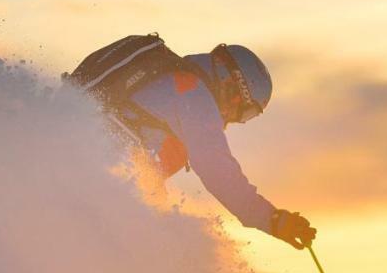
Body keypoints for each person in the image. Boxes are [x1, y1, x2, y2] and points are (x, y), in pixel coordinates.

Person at [68, 36, 316, 250]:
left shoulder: (176, 78)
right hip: (98, 162)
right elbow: (218, 170)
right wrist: (270, 219)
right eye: (244, 113)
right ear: (234, 88)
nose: (234, 120)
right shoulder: (195, 95)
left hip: (90, 151)